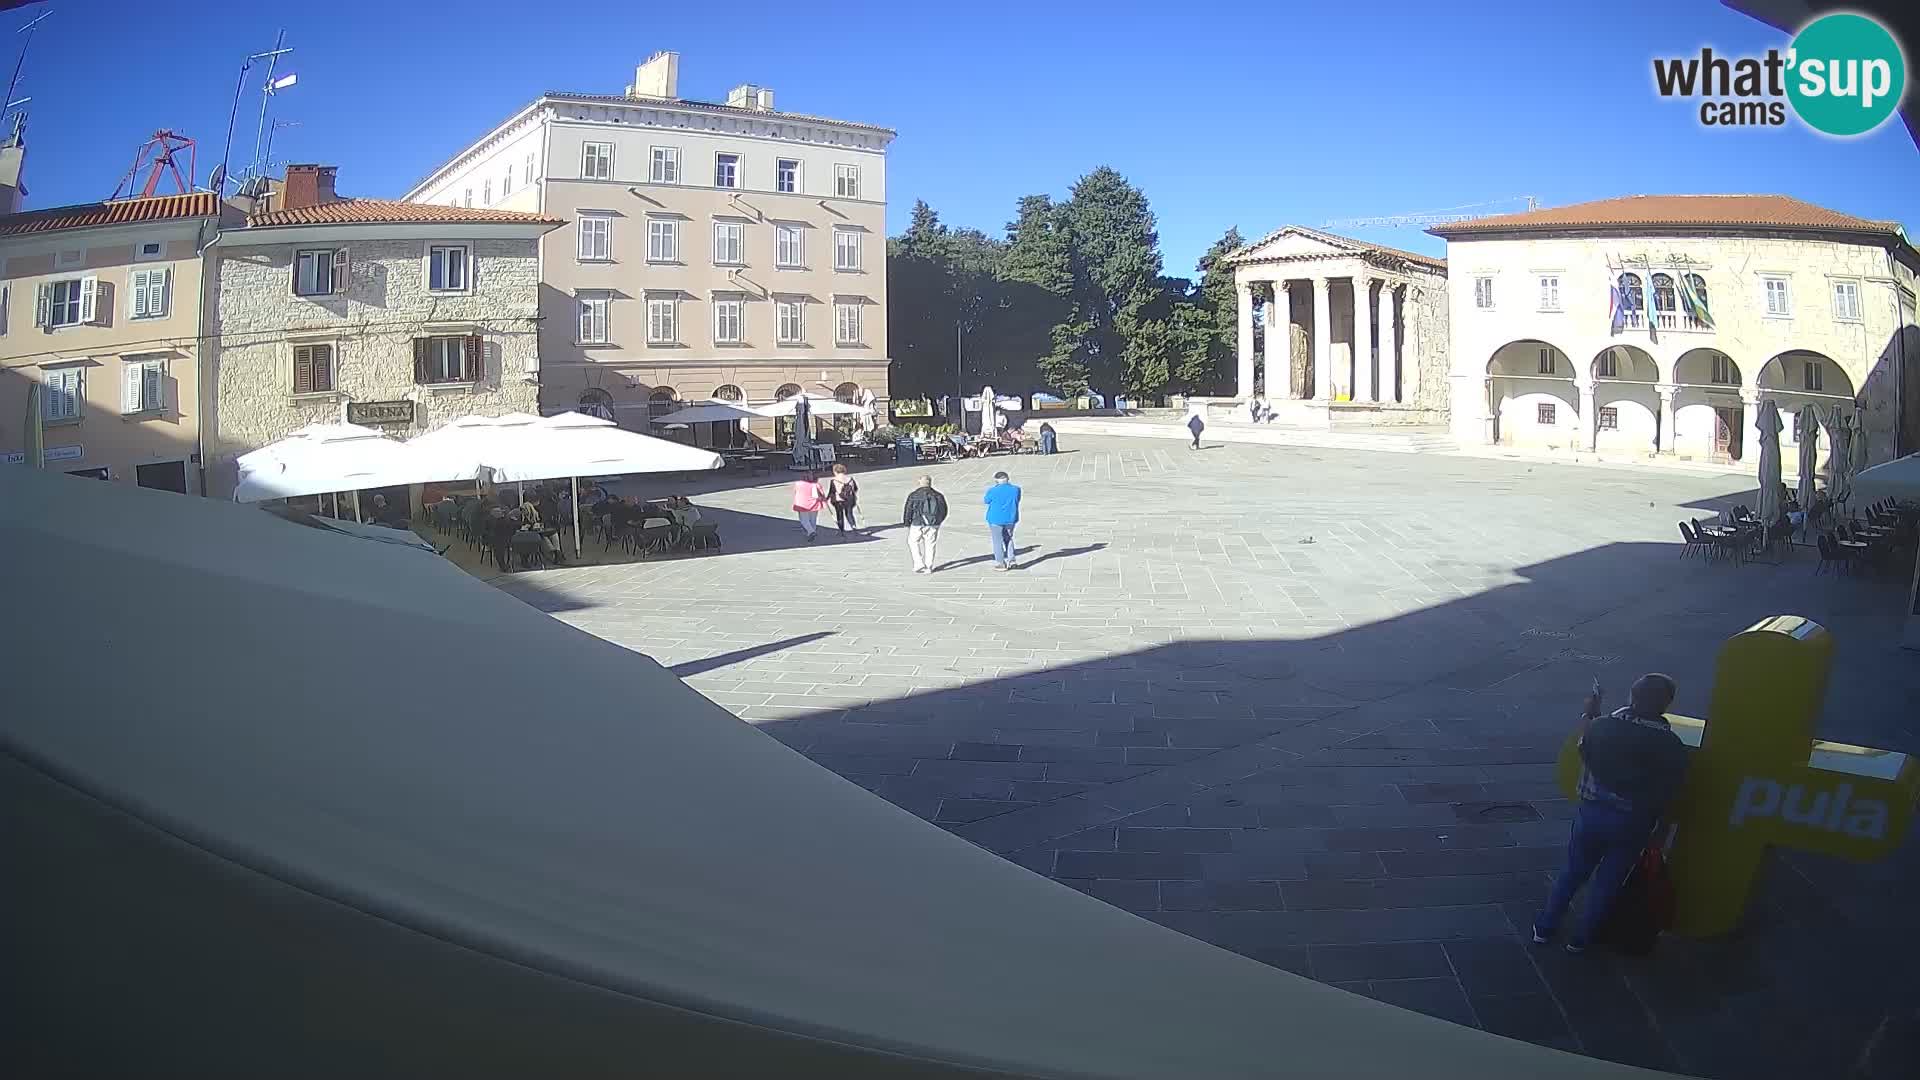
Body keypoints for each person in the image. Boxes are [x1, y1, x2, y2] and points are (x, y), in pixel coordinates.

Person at [1533, 674, 1690, 954]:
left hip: (1592, 814)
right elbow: (1669, 792)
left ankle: (1545, 928)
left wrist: (1590, 712)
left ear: (1632, 696)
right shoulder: (1671, 745)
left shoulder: (1603, 727)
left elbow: (1582, 746)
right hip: (1633, 822)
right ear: (1666, 705)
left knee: (1572, 871)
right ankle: (1581, 938)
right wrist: (1661, 832)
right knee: (1608, 881)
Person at [901, 474, 948, 574]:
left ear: (920, 482)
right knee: (930, 544)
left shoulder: (914, 495)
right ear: (930, 483)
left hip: (917, 522)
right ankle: (929, 566)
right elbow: (944, 510)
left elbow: (908, 509)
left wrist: (907, 522)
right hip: (933, 523)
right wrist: (939, 521)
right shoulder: (938, 495)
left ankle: (918, 563)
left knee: (913, 542)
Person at [983, 470, 1021, 571]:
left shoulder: (992, 490)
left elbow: (986, 500)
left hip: (995, 519)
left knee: (997, 541)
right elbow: (1017, 499)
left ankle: (1001, 563)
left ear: (996, 481)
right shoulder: (1016, 489)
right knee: (1008, 538)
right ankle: (1012, 560)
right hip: (1011, 518)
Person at [791, 470, 827, 543]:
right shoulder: (816, 485)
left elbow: (796, 492)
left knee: (804, 520)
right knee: (813, 520)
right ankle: (811, 532)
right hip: (814, 504)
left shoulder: (798, 484)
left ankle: (811, 532)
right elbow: (822, 495)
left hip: (802, 504)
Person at [825, 462, 860, 538]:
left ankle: (841, 530)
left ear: (835, 471)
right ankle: (853, 526)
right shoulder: (850, 479)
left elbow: (832, 491)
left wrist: (826, 499)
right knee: (849, 514)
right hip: (850, 499)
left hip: (838, 500)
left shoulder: (834, 480)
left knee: (839, 515)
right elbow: (856, 489)